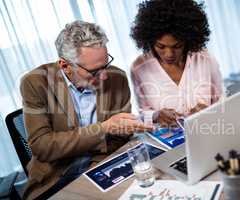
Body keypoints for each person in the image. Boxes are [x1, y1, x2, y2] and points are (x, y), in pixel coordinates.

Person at [20, 20, 153, 200]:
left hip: (103, 165)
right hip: (55, 176)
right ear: (65, 66)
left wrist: (127, 127)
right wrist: (104, 128)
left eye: (105, 65)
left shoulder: (117, 77)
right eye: (94, 71)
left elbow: (120, 138)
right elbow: (42, 146)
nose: (104, 75)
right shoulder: (35, 82)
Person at [130, 0, 224, 126]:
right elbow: (142, 113)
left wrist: (209, 110)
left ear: (187, 40)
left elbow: (223, 100)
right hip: (170, 141)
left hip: (207, 131)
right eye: (161, 46)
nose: (169, 54)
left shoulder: (204, 59)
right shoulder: (139, 68)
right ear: (150, 41)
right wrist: (156, 115)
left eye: (177, 46)